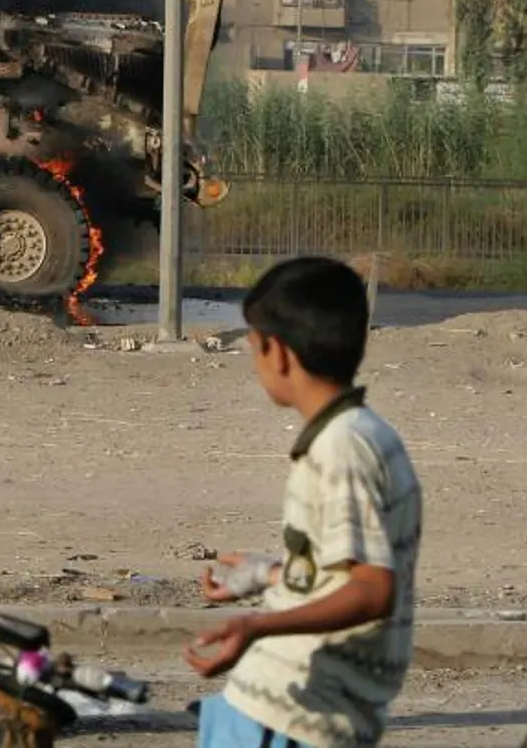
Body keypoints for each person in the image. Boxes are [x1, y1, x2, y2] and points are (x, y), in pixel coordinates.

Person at [183, 256, 424, 748]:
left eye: (252, 347)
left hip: (290, 714)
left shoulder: (341, 449)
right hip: (287, 711)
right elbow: (338, 572)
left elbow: (374, 589)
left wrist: (258, 625)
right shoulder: (367, 435)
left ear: (279, 353)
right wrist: (264, 573)